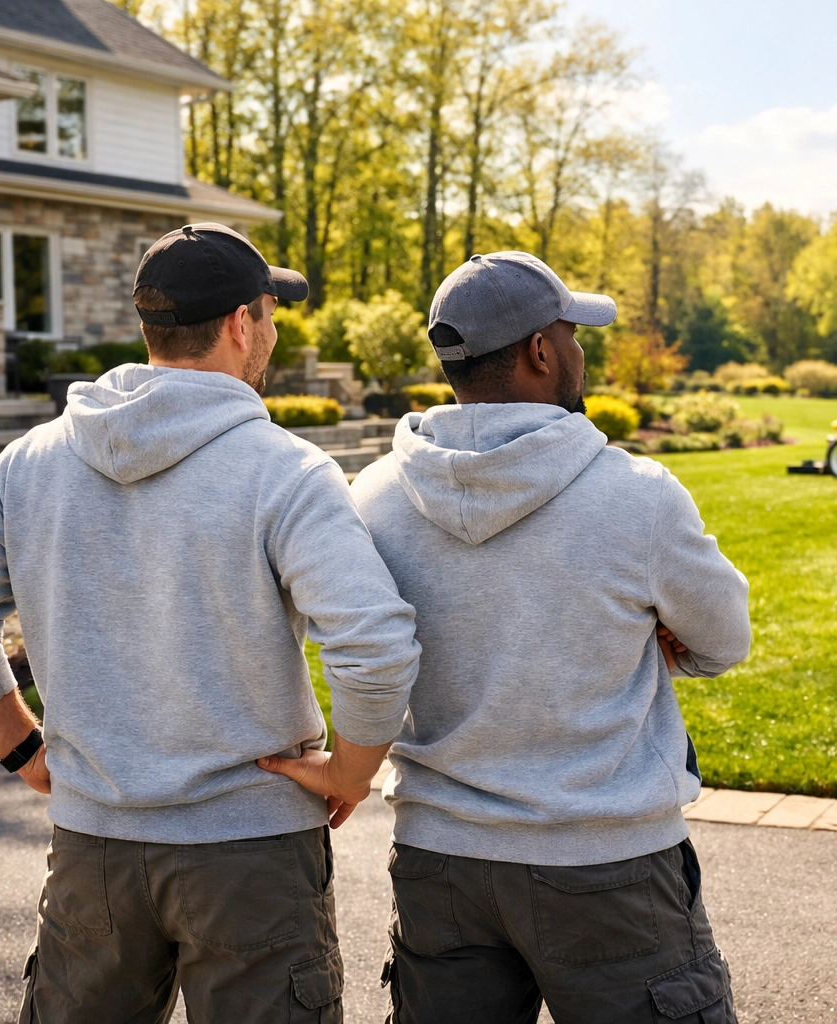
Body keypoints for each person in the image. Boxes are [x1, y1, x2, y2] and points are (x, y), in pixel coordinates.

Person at [0, 222, 420, 1024]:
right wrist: (351, 774)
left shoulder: (31, 461)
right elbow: (376, 647)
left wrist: (26, 752)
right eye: (270, 315)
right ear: (243, 323)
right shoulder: (285, 469)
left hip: (93, 852)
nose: (273, 332)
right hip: (252, 856)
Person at [280, 250, 751, 1022]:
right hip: (608, 868)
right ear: (540, 351)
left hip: (443, 865)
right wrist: (664, 635)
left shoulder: (373, 497)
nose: (580, 351)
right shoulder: (636, 495)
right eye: (573, 334)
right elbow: (724, 639)